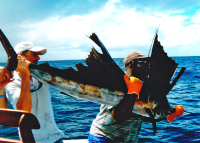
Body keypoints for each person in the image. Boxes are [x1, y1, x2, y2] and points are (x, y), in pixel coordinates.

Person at [88, 51, 184, 143]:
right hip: (102, 138)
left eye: (148, 63)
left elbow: (143, 117)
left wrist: (168, 114)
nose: (148, 67)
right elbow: (117, 117)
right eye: (144, 63)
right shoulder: (120, 84)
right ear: (132, 65)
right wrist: (132, 93)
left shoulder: (143, 88)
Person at [5, 42, 64, 143]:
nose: (38, 58)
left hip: (55, 137)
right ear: (20, 56)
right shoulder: (12, 82)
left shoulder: (40, 75)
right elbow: (23, 110)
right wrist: (24, 77)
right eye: (34, 54)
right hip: (33, 140)